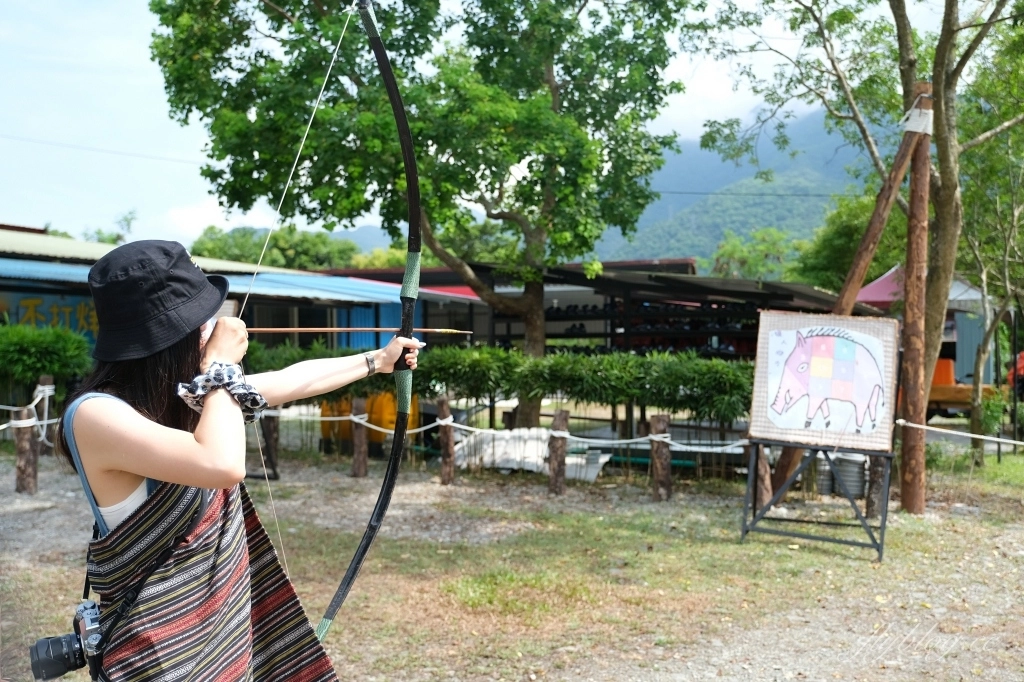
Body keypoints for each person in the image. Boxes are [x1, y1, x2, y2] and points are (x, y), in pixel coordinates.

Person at [53, 240, 423, 682]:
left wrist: (377, 361)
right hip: (160, 656)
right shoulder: (95, 414)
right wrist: (221, 367)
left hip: (216, 643)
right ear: (172, 335)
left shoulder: (196, 398)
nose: (210, 328)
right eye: (201, 321)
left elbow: (289, 380)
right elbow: (222, 463)